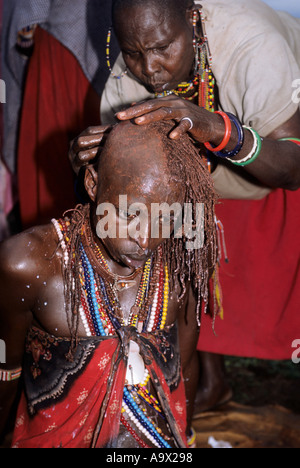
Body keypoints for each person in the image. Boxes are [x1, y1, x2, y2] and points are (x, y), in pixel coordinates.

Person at [71, 0, 300, 413]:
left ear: (192, 18)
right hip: (211, 183)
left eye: (162, 47)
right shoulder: (131, 69)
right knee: (188, 255)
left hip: (277, 155)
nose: (150, 68)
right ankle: (210, 384)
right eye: (134, 52)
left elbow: (293, 168)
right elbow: (124, 188)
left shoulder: (252, 44)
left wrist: (218, 129)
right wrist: (92, 165)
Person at [0, 120, 217, 448]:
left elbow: (183, 368)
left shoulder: (180, 262)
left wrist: (185, 439)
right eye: (128, 214)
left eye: (164, 217)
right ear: (92, 184)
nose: (145, 239)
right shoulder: (29, 265)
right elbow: (6, 372)